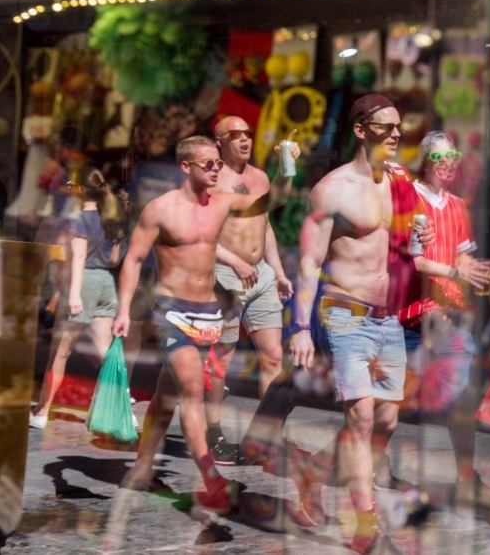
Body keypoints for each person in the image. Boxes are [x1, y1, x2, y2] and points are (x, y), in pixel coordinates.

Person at [113, 134, 296, 514]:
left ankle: (143, 468)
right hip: (171, 312)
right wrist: (123, 310)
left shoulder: (224, 202)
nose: (217, 169)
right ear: (186, 167)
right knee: (192, 391)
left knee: (167, 394)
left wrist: (287, 163)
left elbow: (273, 200)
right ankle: (211, 478)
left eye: (217, 163)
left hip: (209, 313)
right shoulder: (160, 209)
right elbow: (132, 260)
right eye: (209, 164)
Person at [292, 94, 431, 552]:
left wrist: (419, 237)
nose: (396, 134)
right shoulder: (332, 190)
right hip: (344, 312)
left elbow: (408, 248)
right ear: (360, 131)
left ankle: (314, 471)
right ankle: (364, 521)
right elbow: (310, 262)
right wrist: (299, 327)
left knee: (385, 422)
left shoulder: (397, 183)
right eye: (386, 127)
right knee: (362, 415)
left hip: (387, 317)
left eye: (399, 128)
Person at [201, 116, 297, 465]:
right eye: (236, 135)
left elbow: (266, 222)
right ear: (219, 141)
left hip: (261, 276)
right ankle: (215, 433)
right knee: (219, 362)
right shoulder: (212, 178)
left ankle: (266, 436)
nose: (244, 140)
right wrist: (234, 261)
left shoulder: (257, 176)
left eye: (248, 134)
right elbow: (201, 233)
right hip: (225, 275)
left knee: (273, 358)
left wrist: (278, 271)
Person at [31, 165, 134, 429]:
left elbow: (78, 257)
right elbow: (113, 259)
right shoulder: (108, 216)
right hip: (105, 283)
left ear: (78, 189)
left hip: (83, 282)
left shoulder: (77, 219)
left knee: (60, 353)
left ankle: (42, 412)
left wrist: (74, 293)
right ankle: (124, 408)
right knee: (107, 353)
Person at [398, 132, 490, 415]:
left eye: (453, 157)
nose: (449, 163)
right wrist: (456, 272)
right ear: (425, 162)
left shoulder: (457, 205)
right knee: (389, 404)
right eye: (441, 157)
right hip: (406, 313)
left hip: (444, 312)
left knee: (456, 378)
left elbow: (462, 255)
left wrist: (476, 270)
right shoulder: (408, 198)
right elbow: (413, 262)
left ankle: (440, 427)